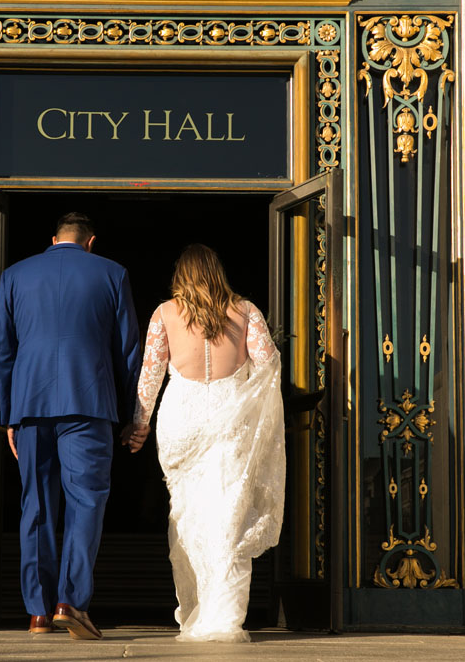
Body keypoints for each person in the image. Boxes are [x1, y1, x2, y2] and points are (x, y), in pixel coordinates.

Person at [0, 212, 141, 640]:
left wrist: (8, 415)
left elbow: (1, 349)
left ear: (51, 239)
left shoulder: (15, 275)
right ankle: (70, 603)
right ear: (91, 242)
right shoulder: (112, 272)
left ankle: (37, 612)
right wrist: (131, 411)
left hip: (30, 406)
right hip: (90, 404)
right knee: (86, 502)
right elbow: (129, 349)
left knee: (35, 506)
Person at [126, 243, 285, 643]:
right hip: (232, 422)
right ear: (218, 272)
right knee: (229, 519)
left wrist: (139, 425)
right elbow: (269, 367)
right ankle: (225, 618)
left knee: (189, 516)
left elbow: (150, 377)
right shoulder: (246, 311)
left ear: (181, 275)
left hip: (182, 421)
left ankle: (196, 610)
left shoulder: (165, 314)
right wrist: (250, 407)